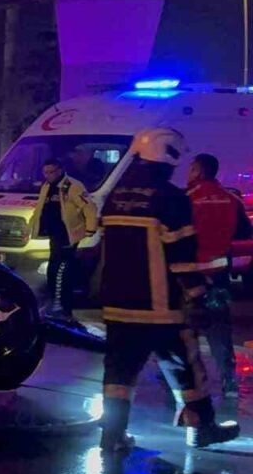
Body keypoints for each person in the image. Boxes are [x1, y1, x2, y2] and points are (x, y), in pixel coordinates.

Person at [99, 128, 240, 452]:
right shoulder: (170, 199)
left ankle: (112, 436)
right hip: (159, 308)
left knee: (118, 373)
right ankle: (203, 427)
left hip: (117, 305)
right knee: (186, 365)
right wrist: (198, 296)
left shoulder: (115, 197)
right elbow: (182, 259)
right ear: (169, 157)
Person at [186, 153, 252, 398]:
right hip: (220, 275)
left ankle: (189, 384)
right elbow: (244, 232)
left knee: (186, 330)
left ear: (198, 171)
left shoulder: (187, 199)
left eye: (191, 168)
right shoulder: (231, 199)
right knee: (220, 330)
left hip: (191, 278)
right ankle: (229, 380)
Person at [30, 158, 98, 317]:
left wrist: (90, 228)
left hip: (68, 234)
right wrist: (33, 226)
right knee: (54, 268)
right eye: (45, 172)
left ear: (60, 170)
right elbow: (40, 208)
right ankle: (56, 302)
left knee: (61, 269)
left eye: (51, 172)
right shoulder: (46, 186)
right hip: (55, 233)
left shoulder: (72, 186)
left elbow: (89, 207)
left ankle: (62, 305)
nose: (48, 175)